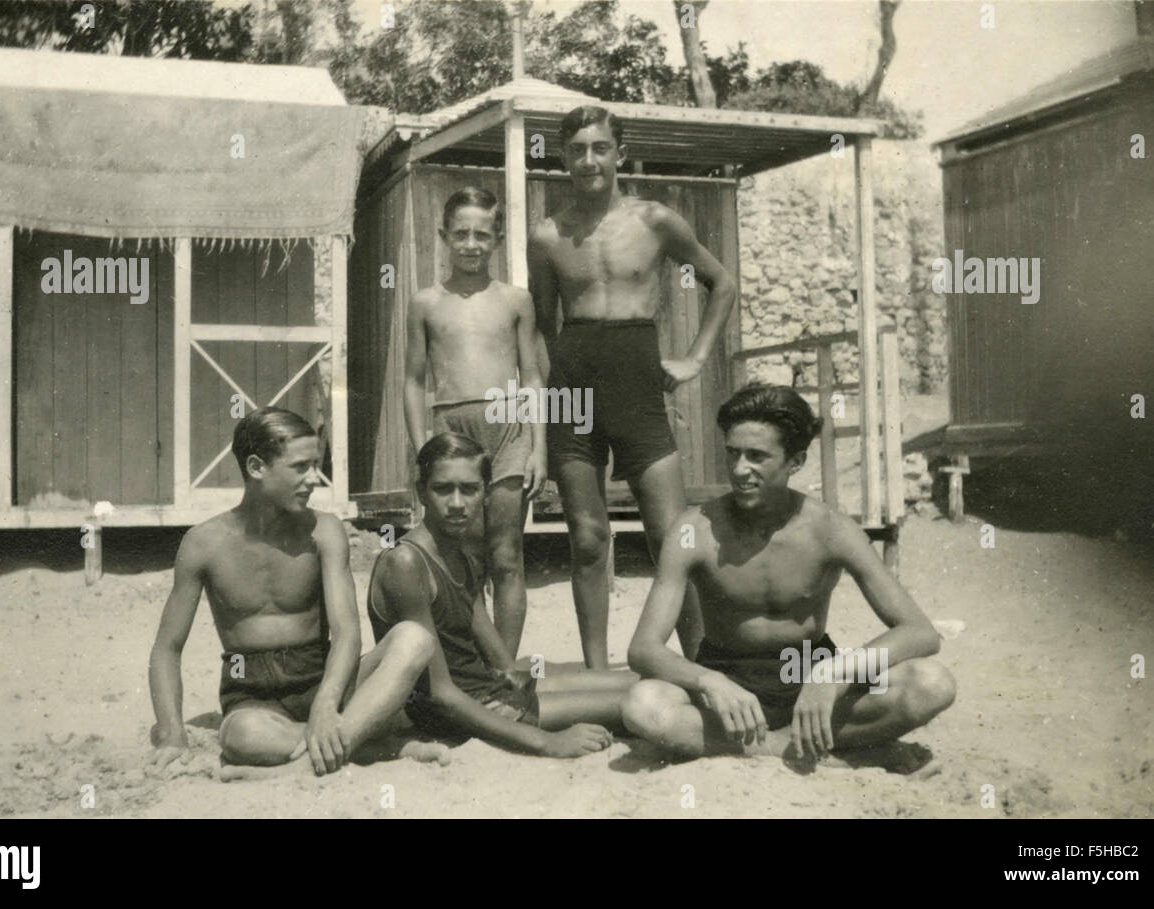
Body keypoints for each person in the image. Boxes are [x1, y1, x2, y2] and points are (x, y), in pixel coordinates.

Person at [622, 384, 956, 760]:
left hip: (811, 679)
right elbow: (643, 649)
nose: (739, 469)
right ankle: (803, 749)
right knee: (644, 704)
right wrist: (710, 681)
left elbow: (920, 632)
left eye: (756, 456)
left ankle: (764, 747)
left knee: (932, 683)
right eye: (732, 454)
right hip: (730, 688)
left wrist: (835, 675)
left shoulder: (831, 529)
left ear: (794, 462)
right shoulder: (694, 530)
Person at [527, 105, 738, 669]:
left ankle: (700, 665)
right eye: (576, 150)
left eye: (600, 148)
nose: (588, 160)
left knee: (671, 536)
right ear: (563, 158)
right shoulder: (547, 235)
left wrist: (694, 358)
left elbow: (722, 283)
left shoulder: (655, 220)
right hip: (574, 387)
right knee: (588, 537)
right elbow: (544, 327)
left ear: (619, 153)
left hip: (637, 380)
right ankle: (597, 672)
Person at [147, 407, 439, 777]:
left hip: (325, 679)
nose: (313, 479)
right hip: (253, 695)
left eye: (315, 465)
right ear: (256, 467)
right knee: (243, 737)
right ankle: (368, 742)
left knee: (414, 639)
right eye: (300, 467)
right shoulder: (204, 544)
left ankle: (292, 768)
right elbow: (167, 649)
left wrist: (326, 703)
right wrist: (172, 732)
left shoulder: (324, 531)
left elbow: (347, 632)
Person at [368, 432, 637, 757]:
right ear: (421, 492)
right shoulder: (406, 562)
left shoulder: (461, 552)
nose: (456, 503)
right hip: (453, 714)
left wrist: (522, 683)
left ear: (485, 494)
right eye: (443, 489)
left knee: (636, 681)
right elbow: (440, 694)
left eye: (469, 489)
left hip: (487, 690)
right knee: (635, 702)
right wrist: (546, 740)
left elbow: (501, 662)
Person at [404, 186, 545, 660]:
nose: (470, 244)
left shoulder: (516, 300)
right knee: (459, 556)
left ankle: (504, 669)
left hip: (507, 428)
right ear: (443, 237)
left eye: (481, 235)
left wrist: (539, 448)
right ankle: (465, 666)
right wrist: (421, 446)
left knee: (505, 555)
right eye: (460, 234)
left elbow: (532, 376)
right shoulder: (425, 302)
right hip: (450, 430)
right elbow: (412, 381)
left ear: (497, 238)